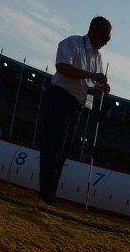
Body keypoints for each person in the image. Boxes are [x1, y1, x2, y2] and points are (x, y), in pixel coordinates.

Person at [37, 17, 112, 206]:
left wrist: (99, 89)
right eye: (105, 37)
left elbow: (88, 86)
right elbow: (62, 67)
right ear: (94, 31)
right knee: (53, 146)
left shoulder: (98, 57)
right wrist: (91, 75)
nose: (106, 42)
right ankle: (46, 194)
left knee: (63, 150)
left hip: (77, 105)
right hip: (60, 98)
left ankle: (50, 193)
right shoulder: (73, 43)